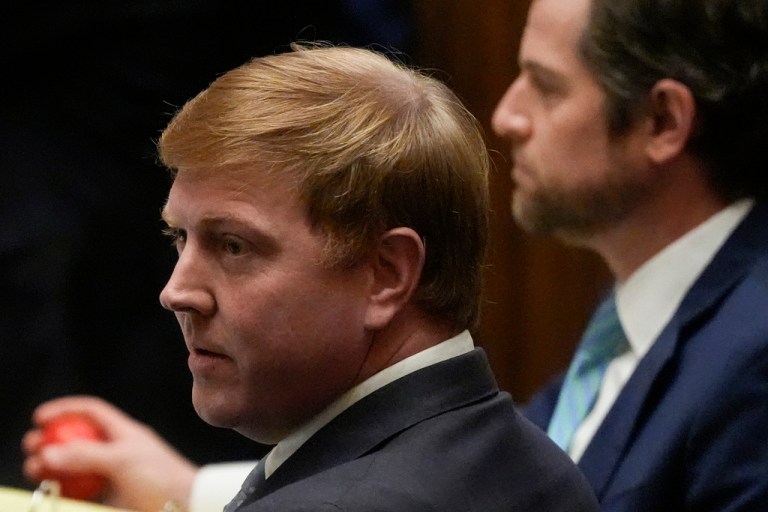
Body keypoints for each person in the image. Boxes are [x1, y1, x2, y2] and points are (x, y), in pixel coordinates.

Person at [25, 44, 600, 512]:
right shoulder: (539, 465)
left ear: (386, 274)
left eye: (233, 246)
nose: (177, 292)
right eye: (180, 237)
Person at [491, 0, 768, 509]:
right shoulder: (631, 317)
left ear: (663, 121)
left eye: (546, 87)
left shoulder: (753, 361)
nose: (506, 117)